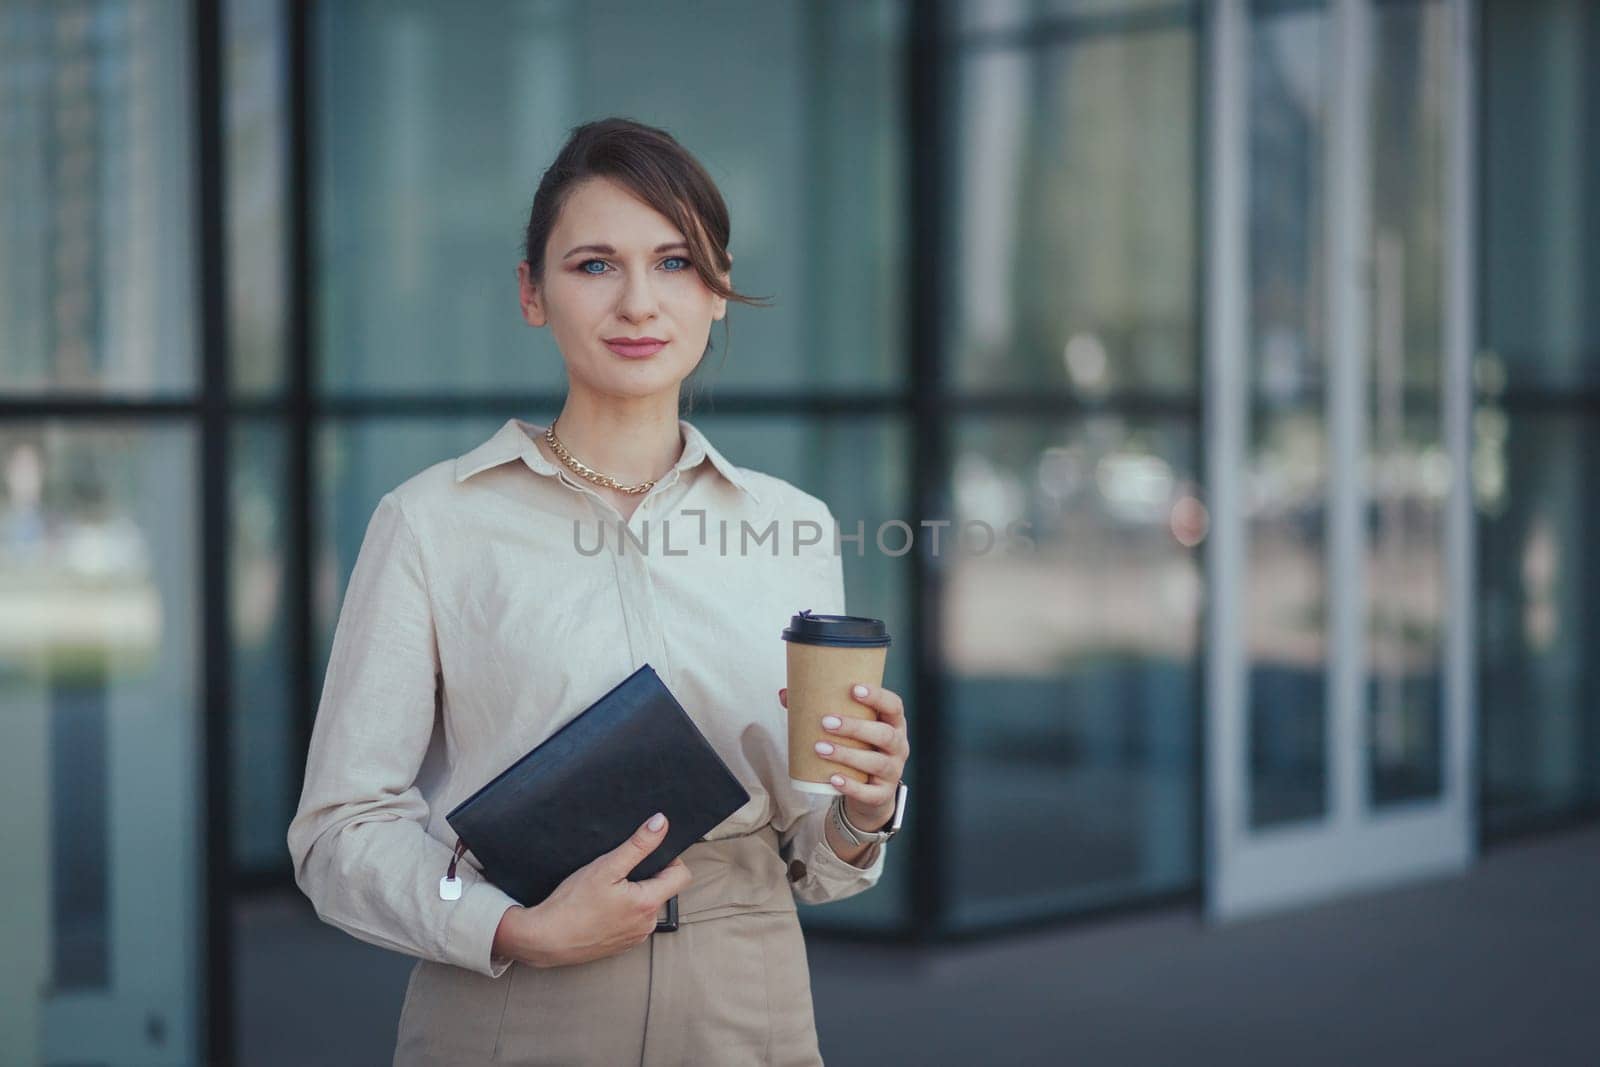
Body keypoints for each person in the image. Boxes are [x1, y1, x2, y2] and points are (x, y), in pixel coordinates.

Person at [286, 117, 912, 1066]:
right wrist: (506, 927)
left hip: (749, 997)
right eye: (593, 265)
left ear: (718, 293)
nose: (637, 302)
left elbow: (813, 862)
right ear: (532, 294)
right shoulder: (431, 524)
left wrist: (866, 808)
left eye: (673, 263)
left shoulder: (794, 527)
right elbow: (340, 832)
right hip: (513, 1004)